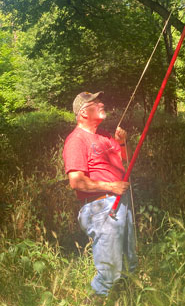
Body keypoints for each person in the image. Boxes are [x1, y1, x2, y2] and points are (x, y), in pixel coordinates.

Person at [63, 91, 137, 303]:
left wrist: (122, 143)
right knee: (109, 273)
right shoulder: (76, 140)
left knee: (129, 265)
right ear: (84, 112)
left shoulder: (106, 136)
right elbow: (76, 181)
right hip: (100, 208)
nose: (102, 103)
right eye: (96, 103)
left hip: (120, 203)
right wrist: (111, 186)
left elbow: (127, 163)